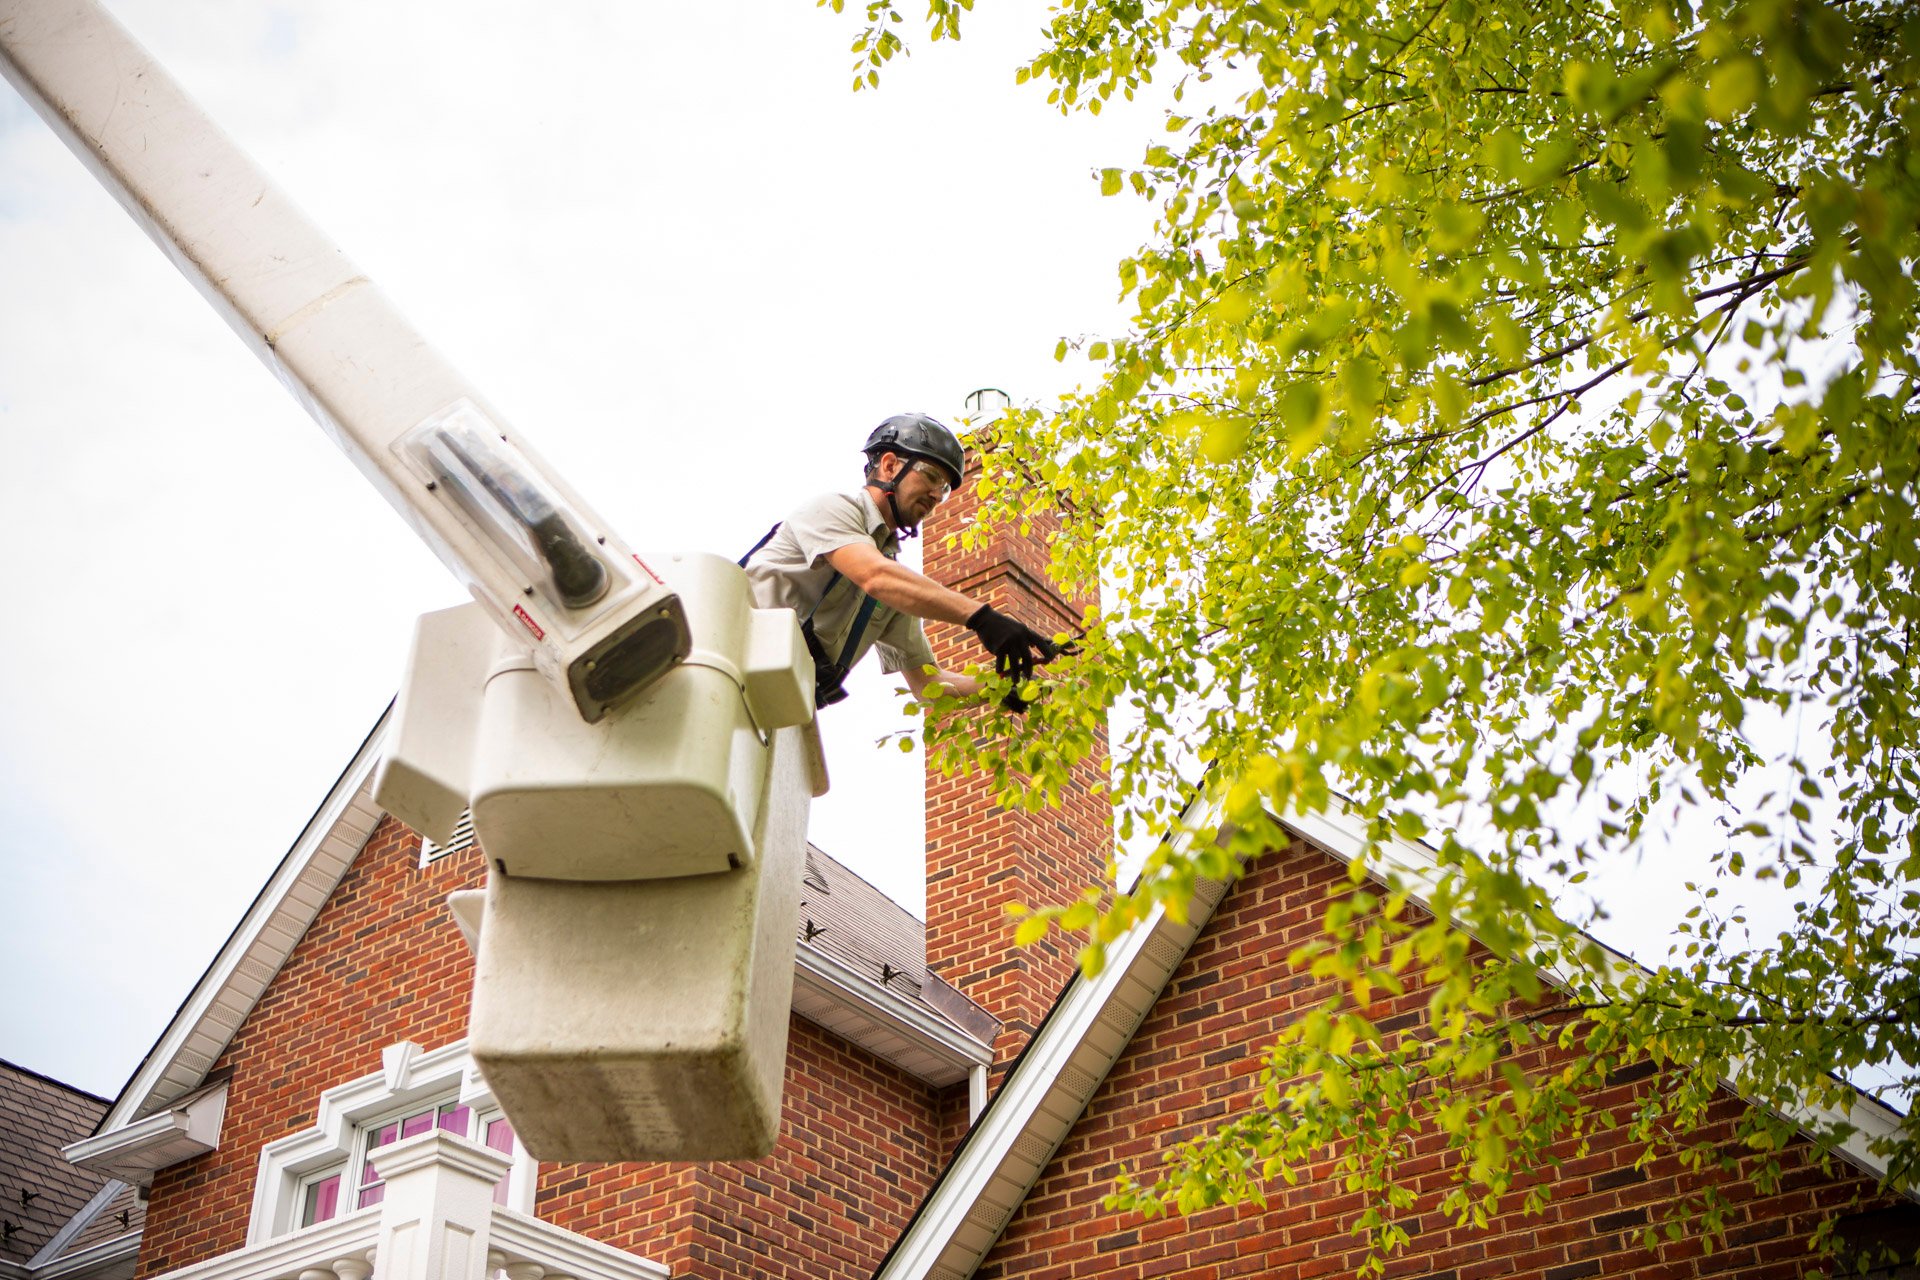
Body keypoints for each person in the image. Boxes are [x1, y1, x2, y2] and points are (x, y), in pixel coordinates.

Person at [741, 413, 1065, 711]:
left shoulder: (892, 587)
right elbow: (874, 576)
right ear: (890, 465)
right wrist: (981, 617)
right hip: (727, 656)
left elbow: (928, 685)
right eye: (932, 475)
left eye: (945, 489)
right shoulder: (833, 510)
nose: (937, 495)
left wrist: (998, 686)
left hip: (776, 702)